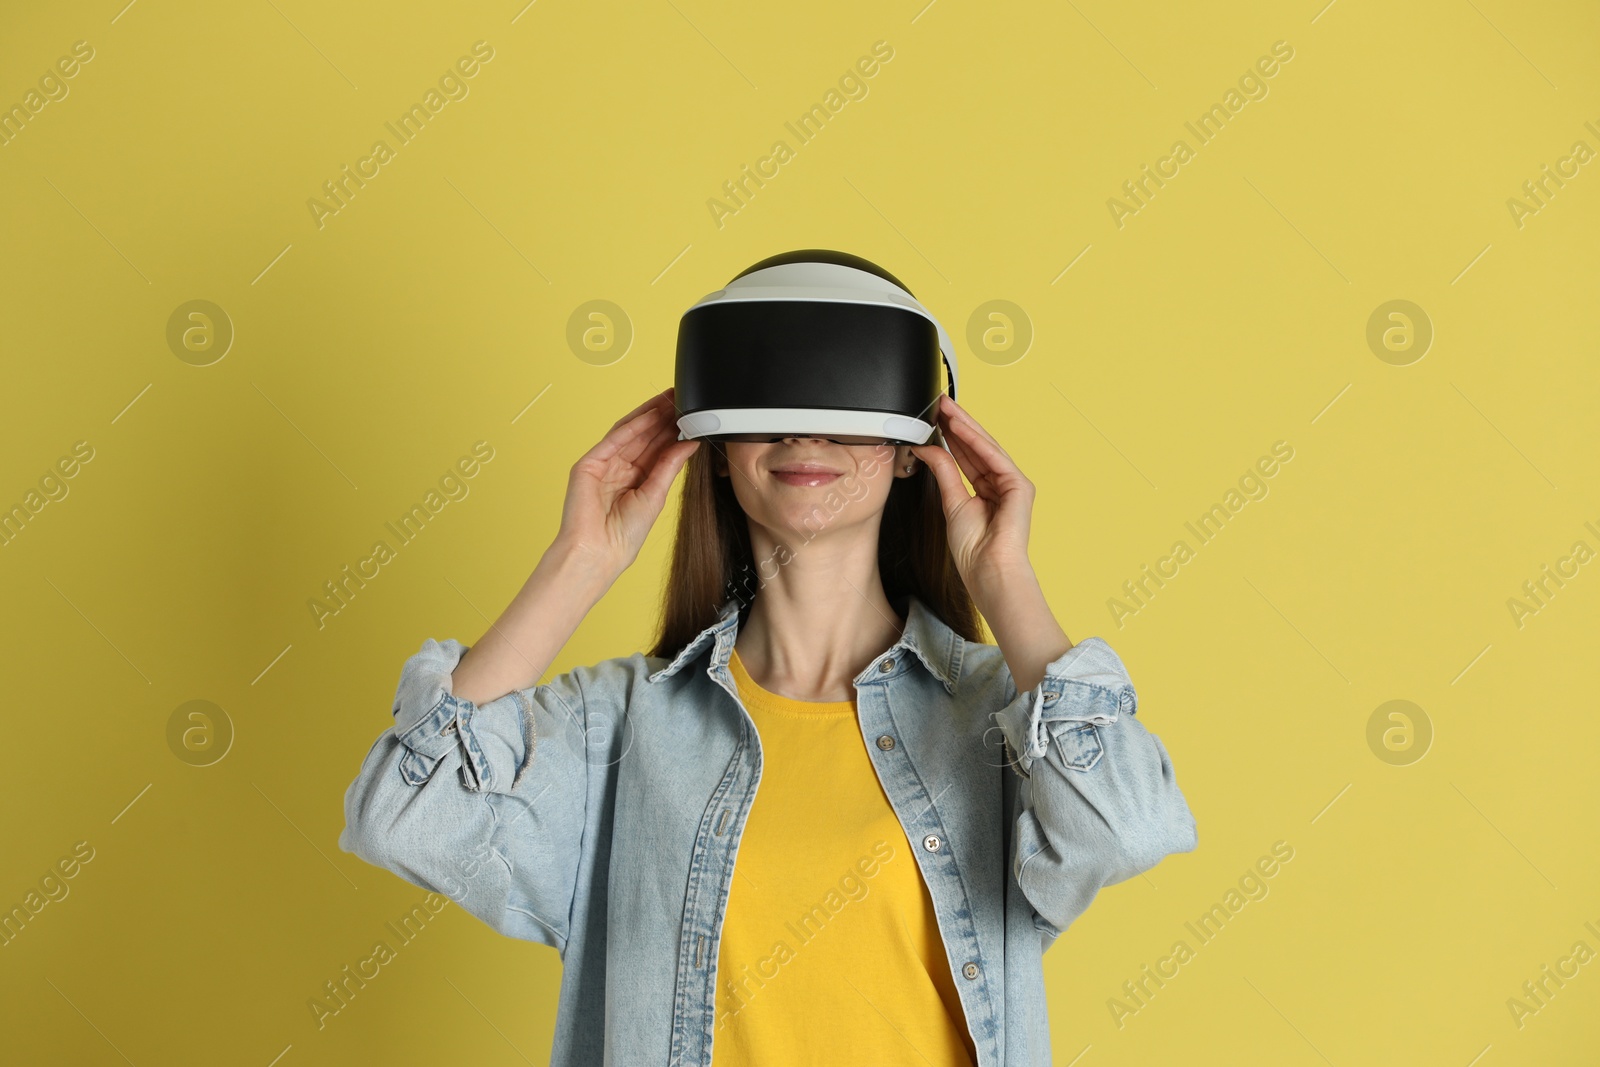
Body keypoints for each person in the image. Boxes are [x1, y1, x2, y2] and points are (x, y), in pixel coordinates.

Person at [340, 365, 1198, 1066]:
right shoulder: (618, 727)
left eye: (846, 398)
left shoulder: (1002, 718)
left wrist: (1004, 581)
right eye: (770, 397)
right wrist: (578, 562)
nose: (806, 433)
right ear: (714, 445)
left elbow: (1123, 828)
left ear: (910, 448)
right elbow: (410, 820)